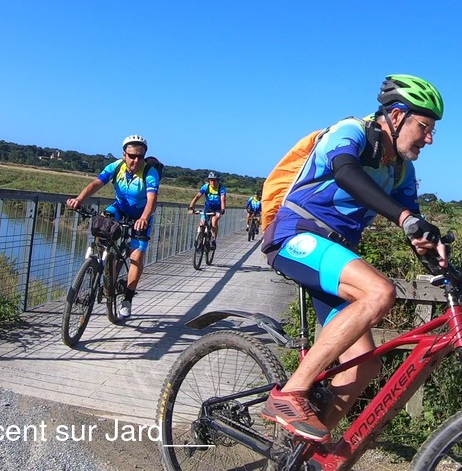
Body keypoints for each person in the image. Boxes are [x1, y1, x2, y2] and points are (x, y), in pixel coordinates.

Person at [260, 74, 447, 442]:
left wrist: (437, 254)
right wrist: (404, 218)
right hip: (296, 237)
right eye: (424, 127)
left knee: (364, 366)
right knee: (379, 292)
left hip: (334, 254)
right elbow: (346, 172)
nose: (429, 139)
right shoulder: (352, 131)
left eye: (432, 130)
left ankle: (306, 453)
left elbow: (412, 221)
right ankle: (290, 393)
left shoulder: (401, 170)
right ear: (397, 116)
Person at [66, 134, 159, 319]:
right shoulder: (115, 167)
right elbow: (96, 183)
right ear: (124, 155)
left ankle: (128, 299)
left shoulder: (150, 172)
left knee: (136, 256)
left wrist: (144, 217)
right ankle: (100, 262)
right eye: (132, 156)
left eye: (140, 156)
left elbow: (152, 199)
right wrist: (79, 199)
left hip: (141, 215)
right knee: (102, 221)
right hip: (119, 208)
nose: (136, 160)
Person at [188, 172, 227, 250]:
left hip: (217, 208)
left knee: (214, 221)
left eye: (215, 180)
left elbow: (223, 200)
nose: (213, 182)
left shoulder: (221, 188)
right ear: (209, 181)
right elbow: (197, 197)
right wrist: (191, 207)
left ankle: (213, 240)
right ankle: (200, 239)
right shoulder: (206, 187)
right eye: (211, 180)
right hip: (208, 208)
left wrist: (222, 209)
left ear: (218, 181)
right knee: (202, 223)